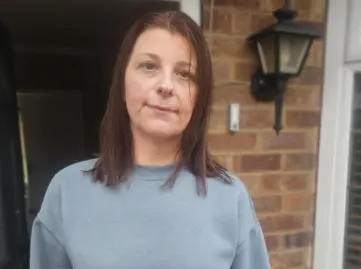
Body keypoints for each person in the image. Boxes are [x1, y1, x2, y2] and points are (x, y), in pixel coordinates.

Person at [29, 11, 270, 269]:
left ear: (199, 98)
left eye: (184, 74)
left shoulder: (231, 199)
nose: (166, 86)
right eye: (149, 66)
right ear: (122, 83)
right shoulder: (67, 193)